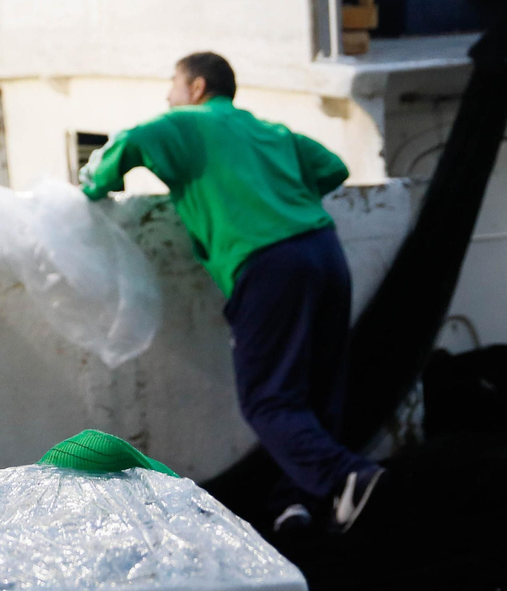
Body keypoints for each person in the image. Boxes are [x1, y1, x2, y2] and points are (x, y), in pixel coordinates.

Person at [79, 51, 383, 535]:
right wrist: (279, 194)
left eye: (173, 85)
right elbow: (333, 168)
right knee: (316, 393)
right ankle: (299, 506)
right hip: (324, 252)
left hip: (267, 264)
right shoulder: (271, 131)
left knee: (268, 401)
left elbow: (127, 145)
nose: (168, 95)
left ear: (197, 88)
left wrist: (93, 181)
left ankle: (348, 476)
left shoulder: (186, 123)